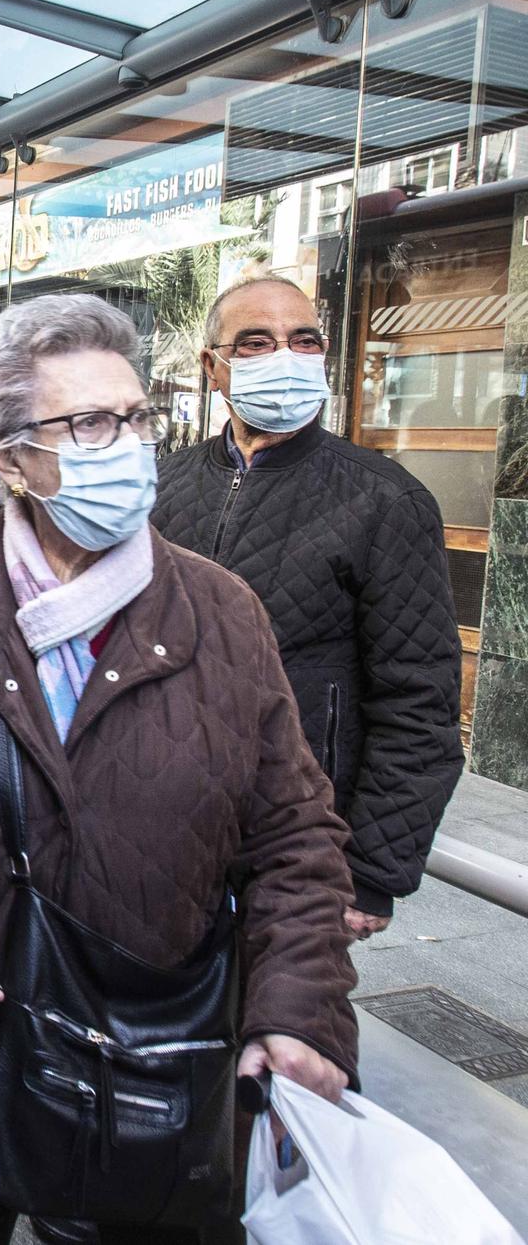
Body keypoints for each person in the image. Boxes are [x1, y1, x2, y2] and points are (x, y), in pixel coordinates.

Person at [0, 294, 359, 1243]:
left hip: (147, 1072)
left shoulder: (222, 612)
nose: (129, 443)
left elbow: (295, 837)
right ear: (11, 456)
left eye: (135, 416)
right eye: (91, 422)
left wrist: (298, 1008)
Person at [154, 276, 463, 941]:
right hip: (160, 825)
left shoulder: (384, 501)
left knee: (286, 1029)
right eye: (256, 343)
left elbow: (419, 703)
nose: (285, 357)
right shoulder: (165, 485)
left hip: (296, 843)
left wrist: (373, 869)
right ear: (214, 367)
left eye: (303, 340)